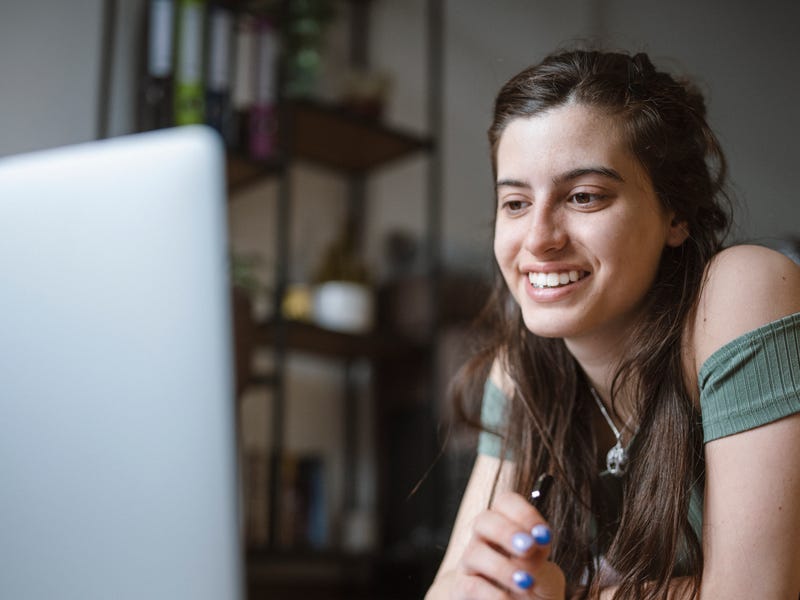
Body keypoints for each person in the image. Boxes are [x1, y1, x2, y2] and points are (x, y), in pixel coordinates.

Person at [426, 49, 800, 599]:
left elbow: (755, 594)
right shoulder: (522, 369)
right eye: (516, 203)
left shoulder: (742, 290)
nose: (538, 239)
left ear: (676, 214)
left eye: (584, 197)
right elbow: (451, 589)